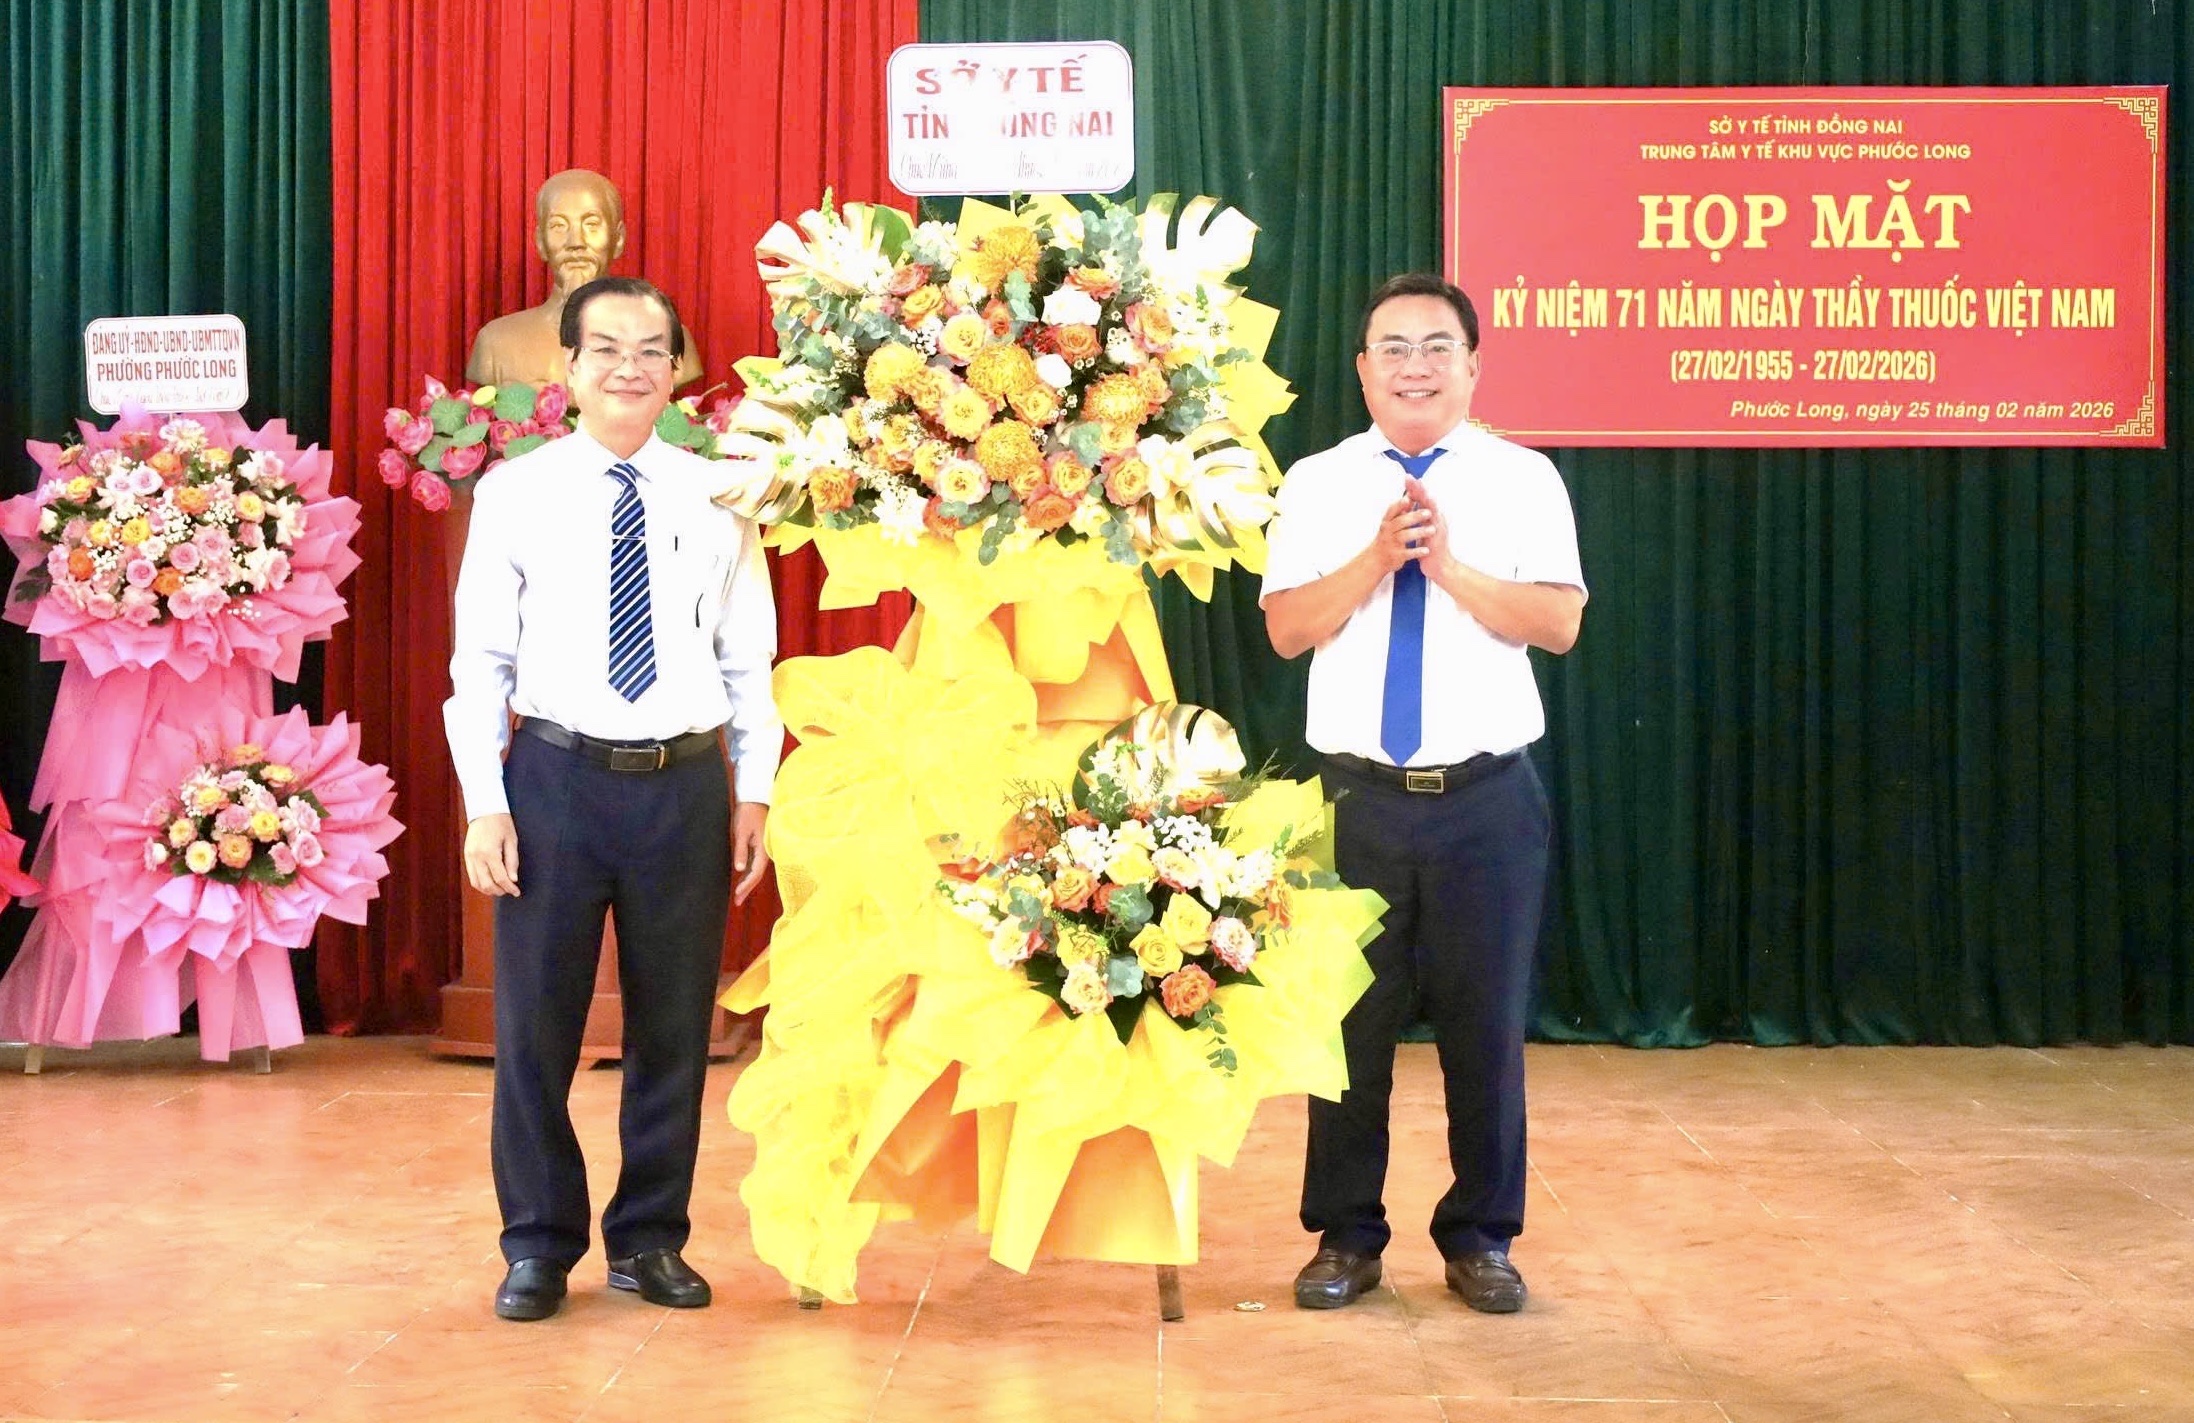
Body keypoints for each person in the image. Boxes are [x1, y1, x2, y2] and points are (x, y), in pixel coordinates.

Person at [445, 275, 780, 1322]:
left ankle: (649, 1239)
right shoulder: (516, 491)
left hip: (684, 786)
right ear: (568, 365)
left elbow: (748, 657)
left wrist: (755, 789)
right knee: (535, 1029)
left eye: (650, 350)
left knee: (673, 1027)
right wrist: (485, 801)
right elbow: (479, 662)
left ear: (675, 368)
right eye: (606, 349)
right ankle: (538, 1244)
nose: (629, 368)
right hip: (554, 779)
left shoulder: (721, 492)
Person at [1261, 272, 1586, 1314]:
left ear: (1472, 366)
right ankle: (1345, 1237)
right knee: (1346, 1033)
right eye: (1393, 348)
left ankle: (1481, 1236)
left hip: (1487, 803)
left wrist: (1447, 568)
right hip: (1355, 801)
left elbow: (1558, 623)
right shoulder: (1317, 481)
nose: (1415, 366)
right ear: (1362, 370)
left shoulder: (1524, 479)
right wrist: (1375, 558)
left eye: (1436, 346)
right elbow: (1287, 629)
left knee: (1483, 1032)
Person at [465, 169, 703, 389]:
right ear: (540, 242)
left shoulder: (666, 340)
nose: (575, 242)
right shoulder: (495, 343)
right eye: (558, 226)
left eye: (591, 224)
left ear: (618, 239)